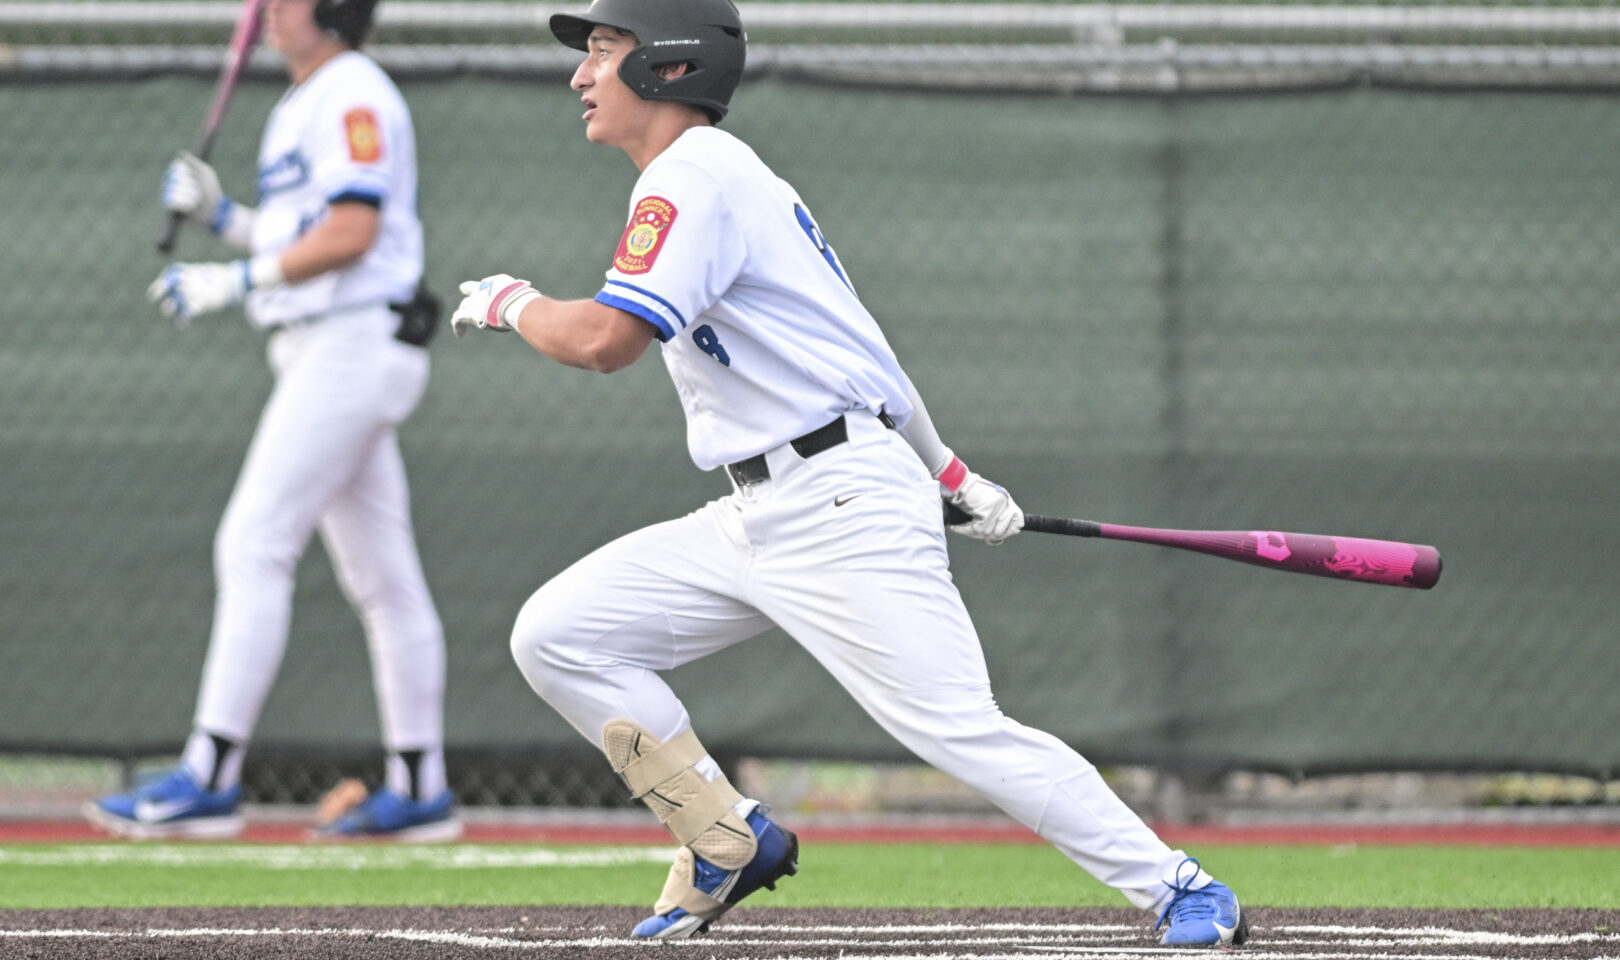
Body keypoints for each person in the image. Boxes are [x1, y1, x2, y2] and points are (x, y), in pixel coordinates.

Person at [450, 0, 1246, 945]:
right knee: (560, 634)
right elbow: (867, 351)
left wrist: (512, 301)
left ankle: (1178, 887)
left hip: (838, 504)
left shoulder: (694, 175)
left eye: (603, 51)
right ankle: (726, 837)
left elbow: (604, 342)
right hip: (765, 505)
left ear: (667, 66)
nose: (581, 76)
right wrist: (949, 471)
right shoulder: (729, 177)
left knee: (958, 727)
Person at [84, 0, 459, 842]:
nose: (264, 9)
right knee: (383, 580)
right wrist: (226, 221)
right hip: (325, 345)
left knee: (253, 542)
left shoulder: (353, 90)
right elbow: (306, 231)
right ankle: (420, 787)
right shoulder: (304, 101)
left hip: (353, 344)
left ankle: (211, 773)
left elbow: (355, 232)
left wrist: (232, 279)